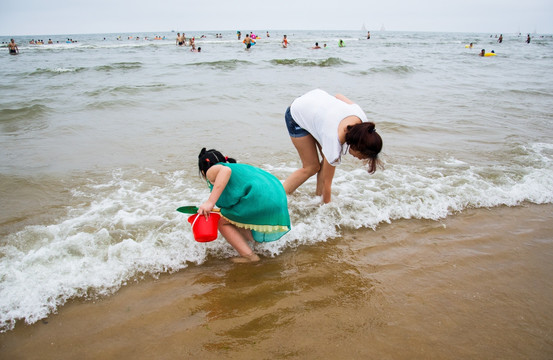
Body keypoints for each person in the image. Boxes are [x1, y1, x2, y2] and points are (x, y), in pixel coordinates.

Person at [283, 89, 383, 203]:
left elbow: (338, 95)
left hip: (314, 101)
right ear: (357, 146)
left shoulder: (363, 123)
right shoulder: (333, 140)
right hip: (297, 112)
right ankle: (276, 198)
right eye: (363, 156)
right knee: (311, 167)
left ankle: (317, 199)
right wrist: (327, 209)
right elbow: (327, 184)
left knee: (326, 162)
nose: (361, 159)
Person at [197, 148, 291, 263]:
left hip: (261, 198)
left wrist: (210, 202)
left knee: (221, 222)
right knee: (233, 217)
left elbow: (225, 171)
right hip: (277, 194)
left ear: (203, 171)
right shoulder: (237, 170)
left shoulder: (212, 171)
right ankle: (256, 246)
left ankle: (250, 256)